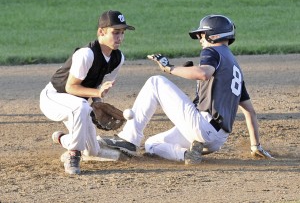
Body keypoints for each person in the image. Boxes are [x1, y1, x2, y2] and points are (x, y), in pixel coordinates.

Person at [101, 14, 273, 164]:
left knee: (156, 82)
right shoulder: (234, 67)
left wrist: (170, 68)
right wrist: (255, 146)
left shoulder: (212, 51)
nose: (200, 38)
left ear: (213, 35)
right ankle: (186, 155)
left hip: (202, 126)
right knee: (152, 144)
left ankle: (128, 139)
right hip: (217, 139)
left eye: (202, 34)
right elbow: (250, 111)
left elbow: (203, 73)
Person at [40, 10, 135, 174]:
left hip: (77, 104)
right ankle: (73, 155)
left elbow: (99, 86)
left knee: (92, 151)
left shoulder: (118, 58)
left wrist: (98, 105)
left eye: (122, 33)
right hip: (53, 98)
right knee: (82, 106)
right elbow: (71, 87)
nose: (120, 37)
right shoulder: (86, 54)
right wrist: (97, 95)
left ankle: (62, 139)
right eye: (115, 32)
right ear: (101, 32)